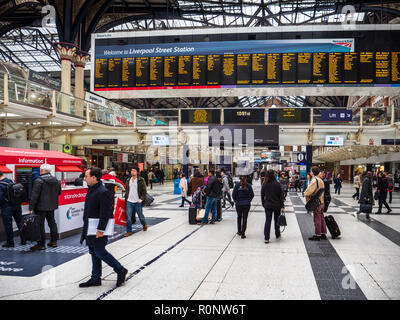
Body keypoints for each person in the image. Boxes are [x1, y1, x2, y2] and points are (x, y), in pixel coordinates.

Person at [79, 167, 128, 288]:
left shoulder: (103, 191)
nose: (84, 179)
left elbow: (105, 213)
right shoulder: (92, 189)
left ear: (94, 178)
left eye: (86, 176)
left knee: (100, 252)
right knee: (93, 252)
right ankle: (95, 277)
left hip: (97, 228)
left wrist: (101, 230)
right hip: (90, 226)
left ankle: (120, 269)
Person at [29, 164, 61, 251]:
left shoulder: (39, 180)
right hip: (51, 206)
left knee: (40, 226)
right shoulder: (56, 180)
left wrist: (31, 207)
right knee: (52, 223)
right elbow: (59, 192)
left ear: (42, 170)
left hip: (40, 207)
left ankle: (41, 245)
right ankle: (54, 241)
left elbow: (34, 195)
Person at [0, 171, 24, 247]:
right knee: (20, 223)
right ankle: (24, 240)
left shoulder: (1, 185)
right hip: (17, 206)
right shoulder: (12, 181)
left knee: (8, 225)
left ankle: (10, 242)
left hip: (7, 207)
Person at [304, 166, 327, 241]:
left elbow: (308, 191)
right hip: (322, 201)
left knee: (317, 218)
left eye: (311, 171)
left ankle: (317, 235)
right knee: (321, 218)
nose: (310, 172)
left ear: (313, 172)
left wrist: (304, 193)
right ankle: (323, 233)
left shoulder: (314, 180)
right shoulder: (321, 180)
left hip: (317, 203)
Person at [261, 170, 284, 244]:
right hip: (277, 205)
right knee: (276, 220)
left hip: (267, 205)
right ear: (274, 175)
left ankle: (266, 238)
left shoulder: (264, 184)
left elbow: (262, 196)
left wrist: (263, 204)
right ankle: (277, 234)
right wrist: (282, 206)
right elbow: (281, 196)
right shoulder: (277, 184)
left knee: (268, 221)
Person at [124, 167, 148, 236]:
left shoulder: (141, 180)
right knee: (128, 217)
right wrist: (126, 197)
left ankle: (144, 224)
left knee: (140, 216)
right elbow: (127, 190)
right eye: (131, 170)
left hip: (137, 201)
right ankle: (129, 231)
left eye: (134, 171)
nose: (132, 172)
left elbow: (144, 191)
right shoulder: (128, 180)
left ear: (137, 172)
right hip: (129, 201)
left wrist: (141, 199)